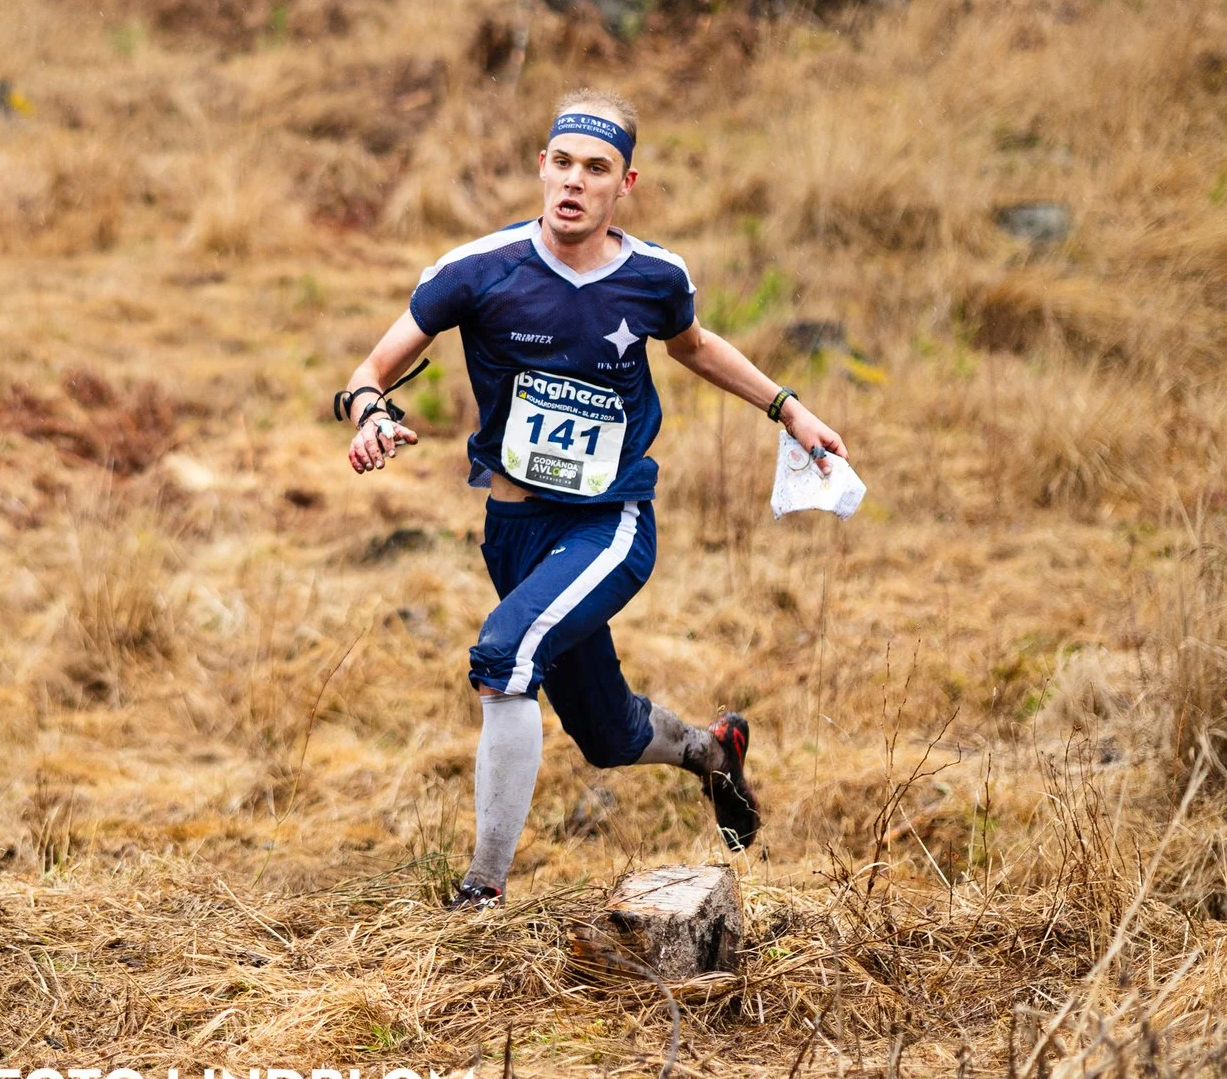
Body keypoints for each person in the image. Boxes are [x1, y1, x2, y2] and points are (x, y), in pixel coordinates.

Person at [338, 90, 849, 908]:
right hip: (512, 526)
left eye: (597, 168)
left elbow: (693, 345)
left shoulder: (655, 276)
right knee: (607, 736)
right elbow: (371, 369)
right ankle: (712, 752)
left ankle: (481, 895)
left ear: (626, 183)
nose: (575, 181)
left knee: (504, 658)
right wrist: (370, 415)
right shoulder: (476, 270)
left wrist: (788, 408)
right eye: (563, 162)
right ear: (542, 167)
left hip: (610, 521)